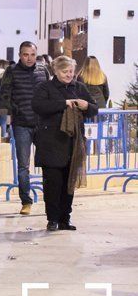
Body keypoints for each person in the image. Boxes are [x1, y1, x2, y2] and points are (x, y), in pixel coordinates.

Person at [32, 55, 98, 232]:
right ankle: (52, 219)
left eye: (71, 71)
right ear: (56, 71)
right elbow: (38, 106)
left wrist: (86, 106)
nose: (69, 75)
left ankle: (64, 219)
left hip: (73, 144)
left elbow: (94, 108)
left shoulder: (79, 87)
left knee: (69, 184)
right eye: (65, 71)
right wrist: (63, 103)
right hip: (51, 143)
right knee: (53, 184)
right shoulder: (45, 87)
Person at [0, 41, 50, 216]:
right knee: (23, 166)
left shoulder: (43, 70)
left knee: (48, 164)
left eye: (32, 54)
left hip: (42, 124)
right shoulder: (11, 71)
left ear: (36, 55)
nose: (29, 58)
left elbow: (50, 92)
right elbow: (4, 94)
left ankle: (49, 202)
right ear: (20, 55)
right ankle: (26, 201)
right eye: (25, 54)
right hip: (21, 124)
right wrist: (14, 110)